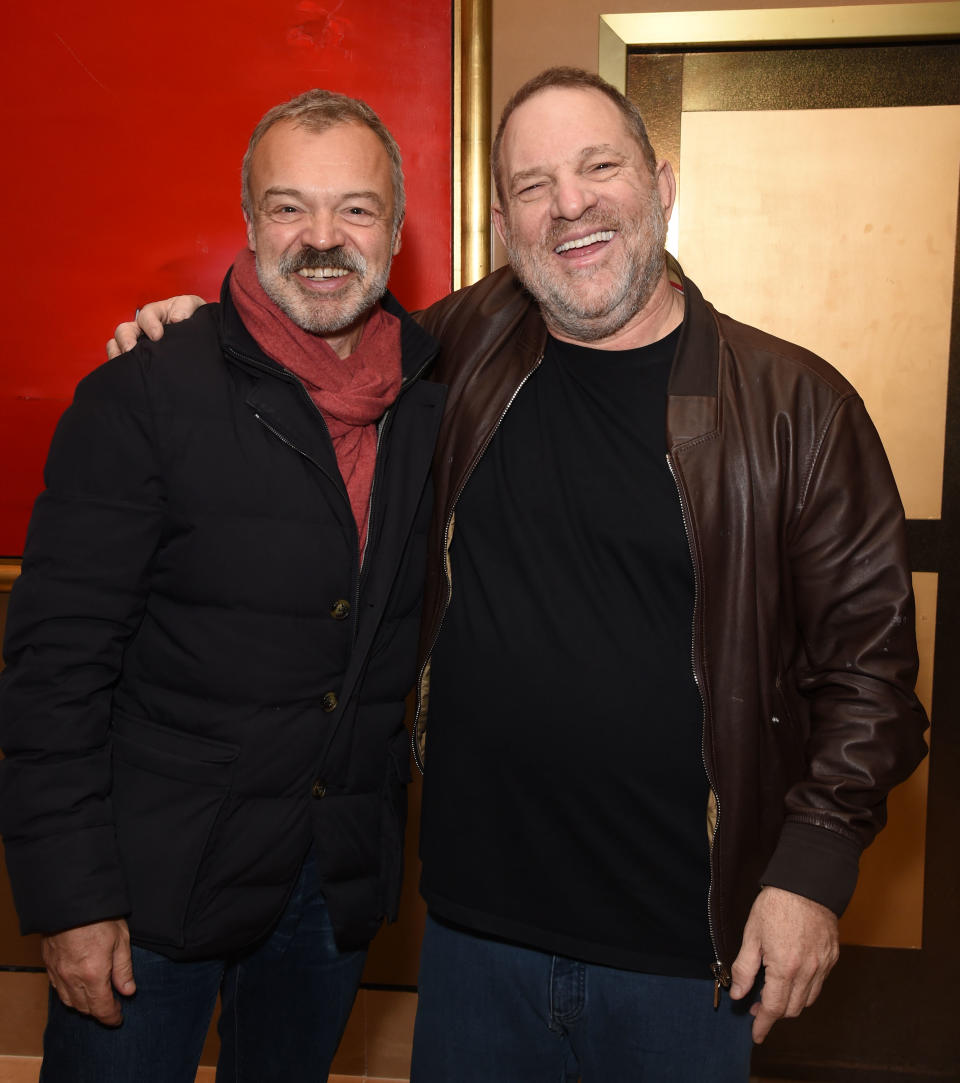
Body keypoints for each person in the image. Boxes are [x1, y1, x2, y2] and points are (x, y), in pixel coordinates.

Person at [107, 67, 928, 1082]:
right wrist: (192, 334)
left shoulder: (797, 407)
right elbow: (298, 339)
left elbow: (872, 677)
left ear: (662, 182)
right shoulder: (452, 357)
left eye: (599, 167)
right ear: (502, 221)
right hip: (472, 943)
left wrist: (812, 870)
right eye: (534, 184)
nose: (570, 203)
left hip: (683, 958)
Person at [0, 88, 445, 1083]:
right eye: (289, 207)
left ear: (397, 231)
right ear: (249, 222)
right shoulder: (144, 394)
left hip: (332, 886)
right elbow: (52, 671)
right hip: (150, 894)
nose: (322, 238)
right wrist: (72, 900)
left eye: (356, 210)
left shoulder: (435, 399)